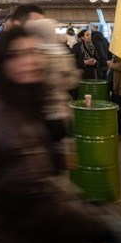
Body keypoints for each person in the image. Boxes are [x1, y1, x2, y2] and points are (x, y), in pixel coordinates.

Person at [0, 28, 121, 243]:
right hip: (1, 240)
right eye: (18, 55)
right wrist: (105, 228)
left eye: (33, 52)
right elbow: (38, 203)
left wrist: (51, 156)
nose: (29, 61)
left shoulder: (20, 103)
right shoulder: (4, 117)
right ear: (4, 63)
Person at [25, 18, 82, 170]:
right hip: (62, 113)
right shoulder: (63, 52)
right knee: (58, 152)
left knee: (44, 156)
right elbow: (72, 80)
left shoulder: (38, 55)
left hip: (43, 114)